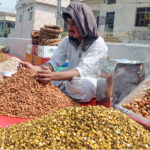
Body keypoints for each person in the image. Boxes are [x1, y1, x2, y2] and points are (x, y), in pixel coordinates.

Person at [20, 1, 108, 102]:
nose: (69, 27)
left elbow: (81, 71)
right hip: (68, 79)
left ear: (84, 24)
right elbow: (54, 62)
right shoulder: (67, 40)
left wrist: (52, 76)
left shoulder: (97, 43)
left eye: (74, 23)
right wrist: (35, 68)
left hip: (87, 80)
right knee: (41, 79)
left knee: (83, 87)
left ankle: (62, 87)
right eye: (68, 23)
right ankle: (63, 87)